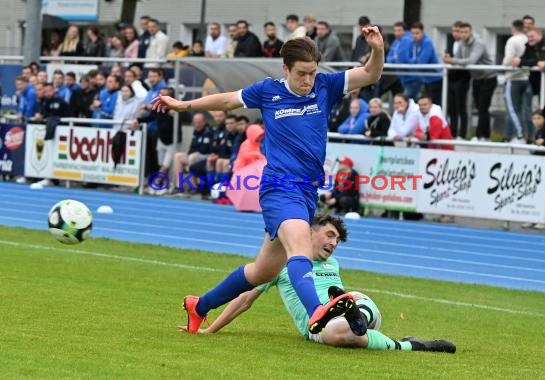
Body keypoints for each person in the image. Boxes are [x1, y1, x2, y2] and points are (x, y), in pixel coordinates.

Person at [152, 28, 385, 336]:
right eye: (301, 74)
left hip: (306, 191)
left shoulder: (326, 86)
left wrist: (378, 49)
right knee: (300, 247)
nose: (307, 81)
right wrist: (183, 105)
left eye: (312, 74)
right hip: (279, 187)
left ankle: (200, 305)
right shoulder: (267, 91)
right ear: (285, 69)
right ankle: (317, 309)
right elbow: (227, 101)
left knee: (263, 271)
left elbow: (370, 73)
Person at [188, 215, 456, 354]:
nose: (334, 242)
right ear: (309, 233)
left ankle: (355, 316)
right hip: (320, 328)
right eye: (329, 234)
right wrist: (212, 329)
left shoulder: (332, 265)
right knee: (338, 334)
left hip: (360, 306)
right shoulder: (282, 263)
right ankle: (411, 345)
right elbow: (244, 299)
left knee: (350, 310)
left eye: (337, 239)